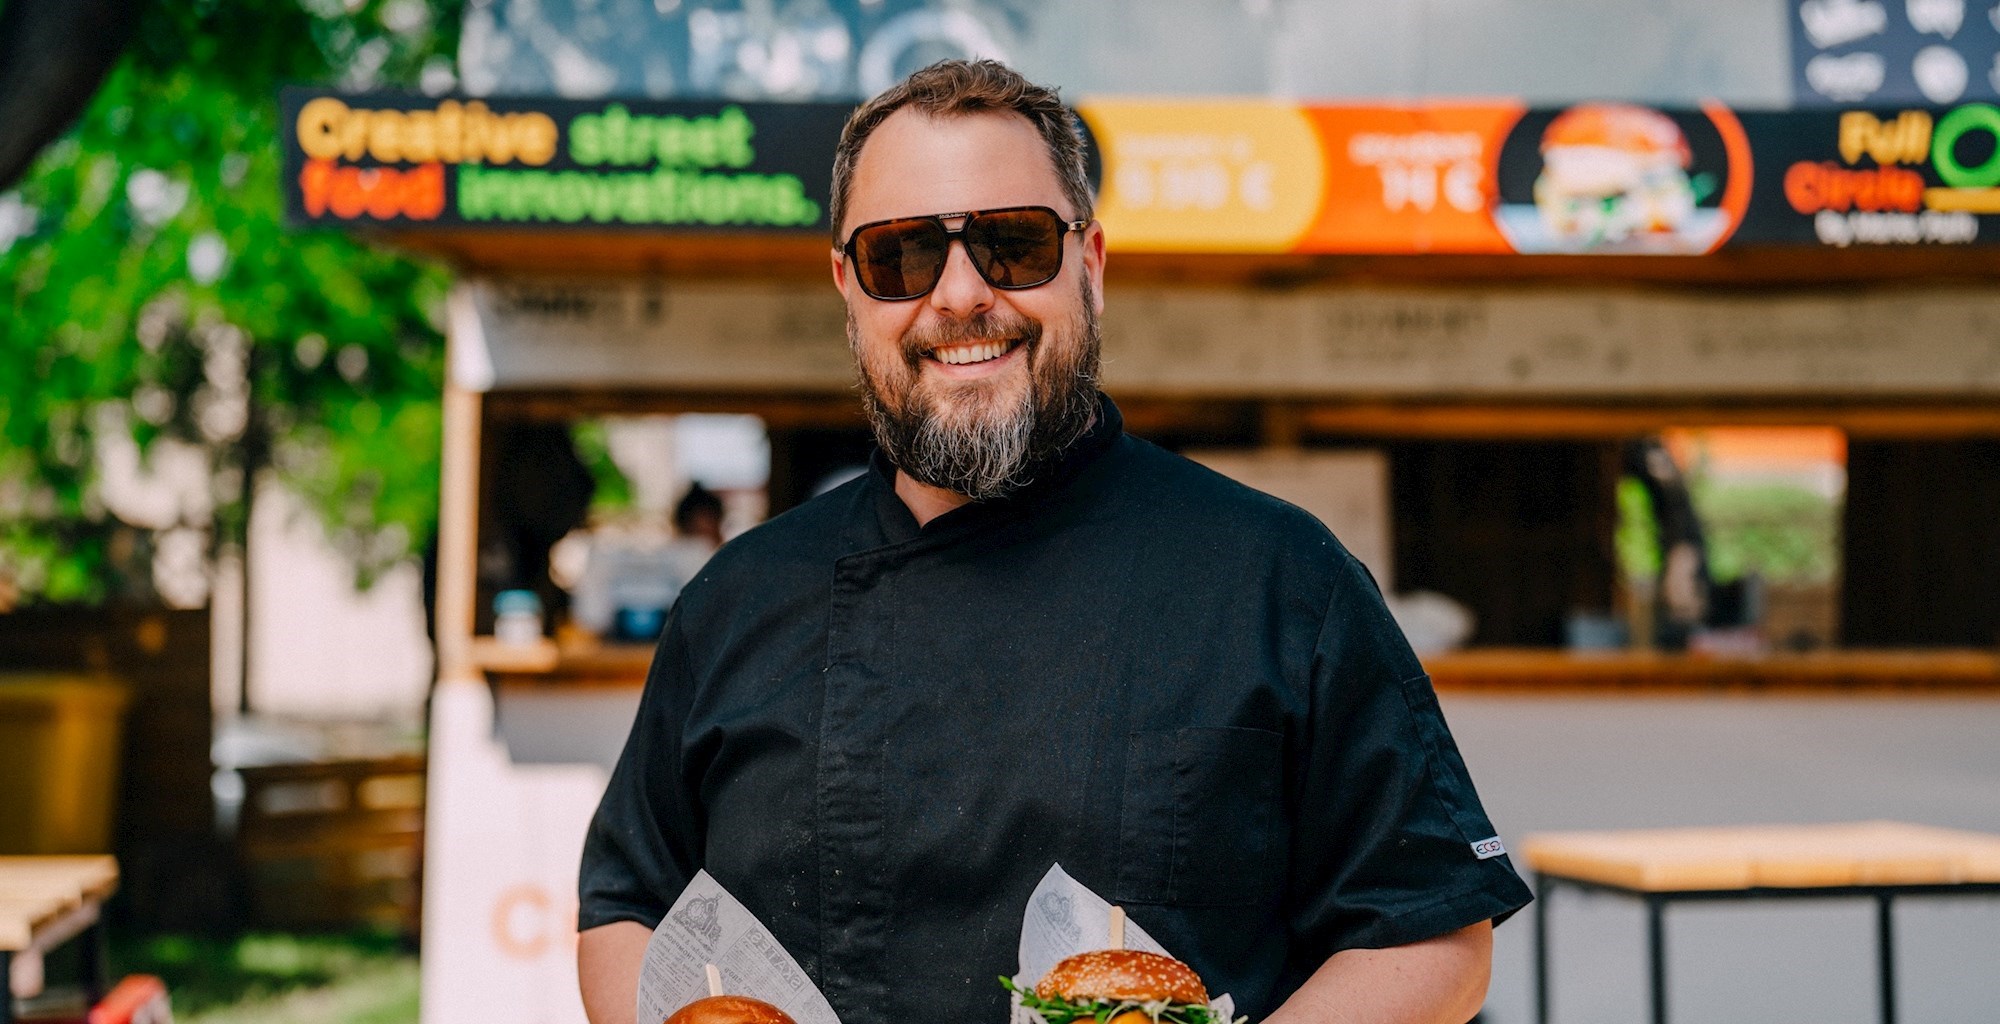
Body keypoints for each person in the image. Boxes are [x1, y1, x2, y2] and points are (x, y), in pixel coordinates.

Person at [577, 59, 1530, 1024]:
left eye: (1013, 244)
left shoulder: (1279, 578)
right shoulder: (738, 598)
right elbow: (624, 907)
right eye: (900, 255)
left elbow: (1433, 937)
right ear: (849, 289)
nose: (958, 295)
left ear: (1092, 266)